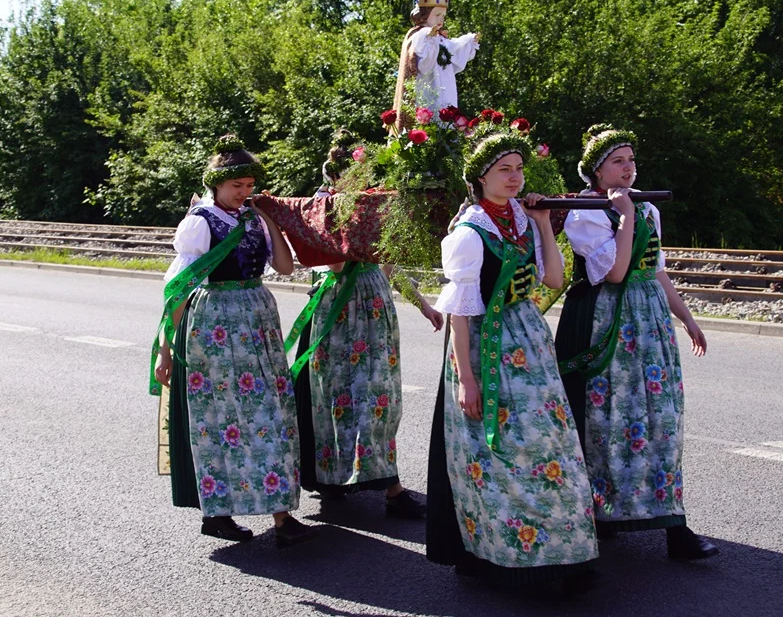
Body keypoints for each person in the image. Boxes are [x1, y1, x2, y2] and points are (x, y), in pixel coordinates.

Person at [426, 132, 599, 588]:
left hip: (529, 340)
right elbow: (460, 315)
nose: (515, 177)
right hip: (486, 346)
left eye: (519, 169)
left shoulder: (523, 220)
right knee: (501, 452)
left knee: (548, 445)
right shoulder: (469, 233)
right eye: (505, 169)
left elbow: (554, 278)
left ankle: (559, 554)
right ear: (480, 178)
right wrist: (467, 380)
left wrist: (543, 223)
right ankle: (502, 555)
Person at [554, 124, 717, 559]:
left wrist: (686, 317)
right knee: (608, 419)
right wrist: (624, 217)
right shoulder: (585, 213)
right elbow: (615, 273)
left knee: (660, 417)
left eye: (630, 160)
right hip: (607, 320)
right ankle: (601, 511)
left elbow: (655, 269)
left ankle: (673, 525)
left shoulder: (646, 207)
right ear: (596, 171)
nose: (628, 168)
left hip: (649, 320)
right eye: (617, 162)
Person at [151, 134, 318, 547]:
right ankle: (220, 513)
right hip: (215, 325)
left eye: (249, 185)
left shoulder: (252, 218)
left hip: (257, 319)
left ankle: (280, 514)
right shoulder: (201, 222)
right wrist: (166, 350)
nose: (244, 192)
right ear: (216, 184)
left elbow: (284, 267)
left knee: (271, 414)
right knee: (221, 419)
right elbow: (179, 288)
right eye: (236, 185)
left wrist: (270, 219)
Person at [286, 133, 444, 517]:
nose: (365, 181)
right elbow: (337, 264)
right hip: (338, 310)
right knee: (336, 397)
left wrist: (424, 305)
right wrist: (341, 218)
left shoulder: (373, 207)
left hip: (374, 307)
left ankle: (386, 483)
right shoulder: (321, 208)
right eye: (357, 175)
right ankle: (339, 478)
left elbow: (387, 263)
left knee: (378, 398)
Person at [391, 0, 479, 132]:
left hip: (445, 91)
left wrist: (469, 42)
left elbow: (453, 49)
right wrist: (430, 41)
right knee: (429, 125)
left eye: (443, 16)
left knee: (446, 125)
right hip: (428, 91)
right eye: (437, 15)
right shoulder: (420, 35)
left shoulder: (440, 38)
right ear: (425, 14)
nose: (441, 20)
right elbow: (423, 66)